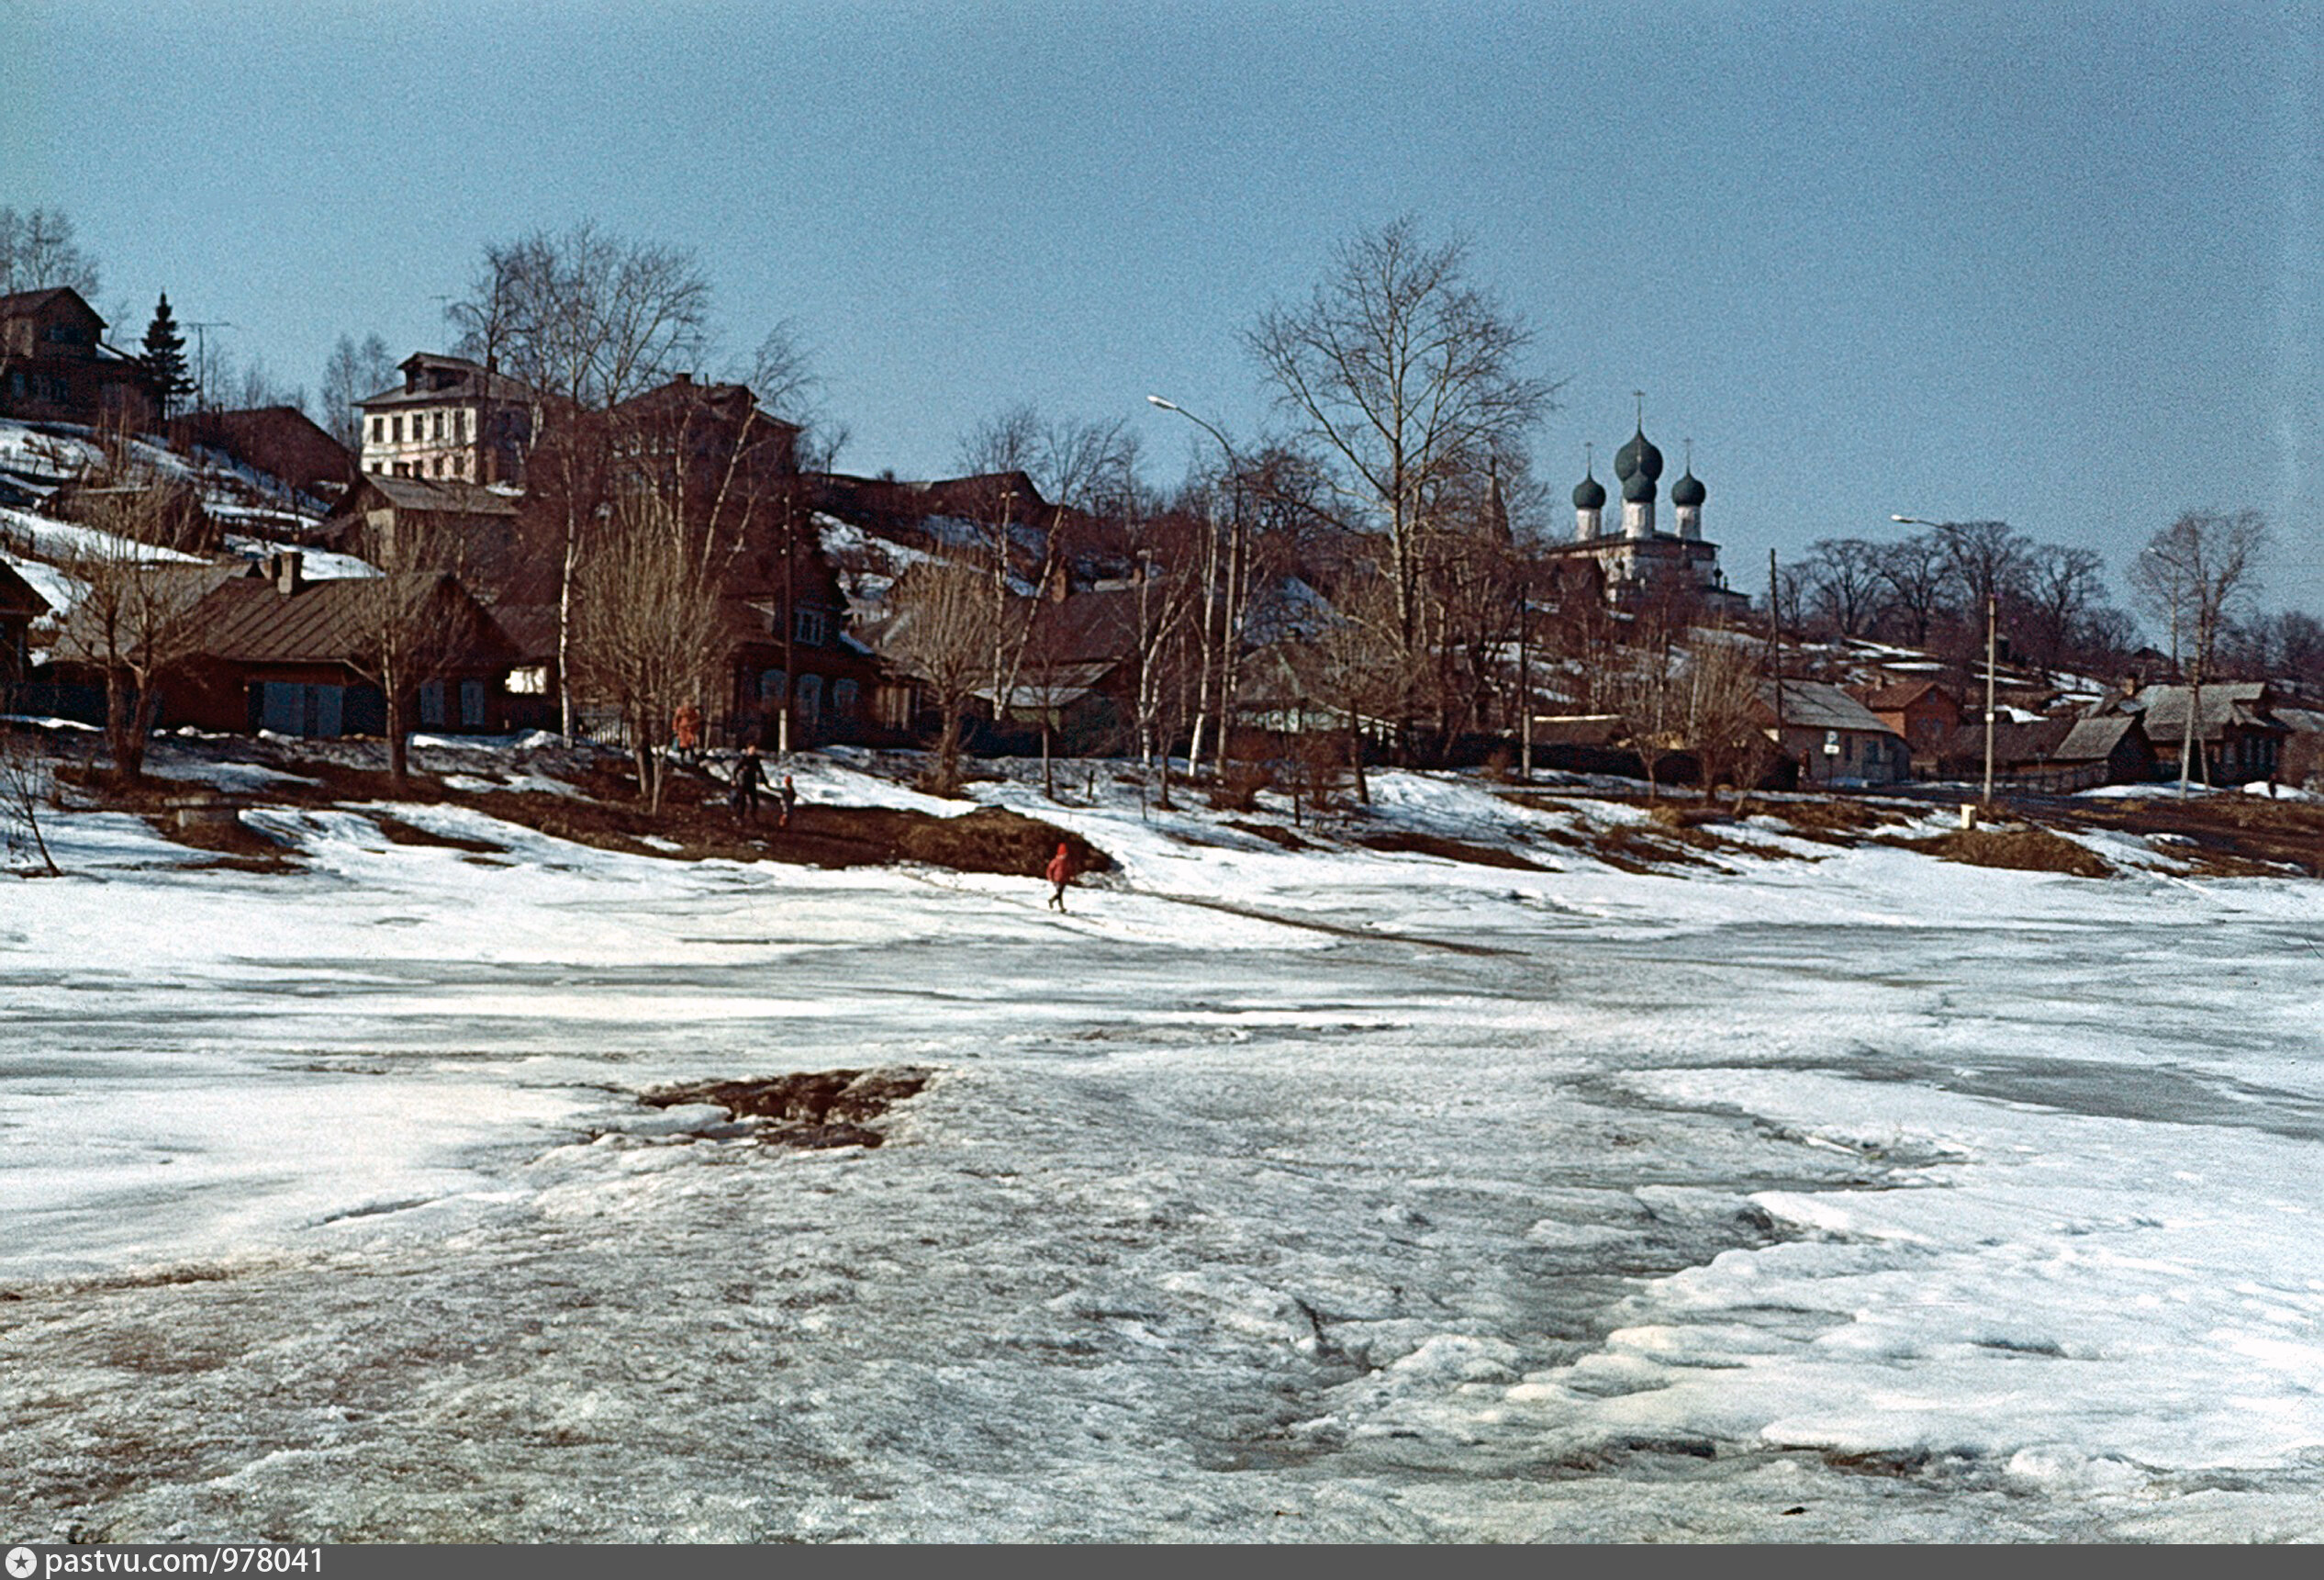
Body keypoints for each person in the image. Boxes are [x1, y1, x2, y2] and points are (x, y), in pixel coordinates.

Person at [729, 743, 765, 823]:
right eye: (751, 749)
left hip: (752, 782)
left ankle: (752, 815)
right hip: (743, 782)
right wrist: (733, 779)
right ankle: (739, 817)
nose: (753, 751)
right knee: (742, 801)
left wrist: (764, 780)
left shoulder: (755, 760)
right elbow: (736, 769)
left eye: (754, 750)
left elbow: (760, 770)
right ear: (748, 750)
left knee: (754, 801)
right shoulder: (744, 759)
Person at [1045, 841, 1074, 913]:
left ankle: (1052, 901)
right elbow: (1050, 869)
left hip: (1064, 880)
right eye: (1064, 854)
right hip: (1057, 879)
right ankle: (1061, 908)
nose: (1065, 855)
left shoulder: (1066, 862)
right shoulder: (1056, 861)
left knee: (1059, 894)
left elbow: (1069, 870)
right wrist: (1050, 878)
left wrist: (1071, 876)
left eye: (1066, 854)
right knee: (1059, 894)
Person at [671, 700, 702, 765]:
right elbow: (676, 719)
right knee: (683, 745)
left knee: (691, 744)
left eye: (690, 703)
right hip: (683, 730)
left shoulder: (693, 711)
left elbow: (696, 720)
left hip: (691, 731)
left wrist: (697, 728)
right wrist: (675, 728)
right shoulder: (681, 710)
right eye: (688, 703)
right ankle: (682, 759)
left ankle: (692, 758)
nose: (689, 704)